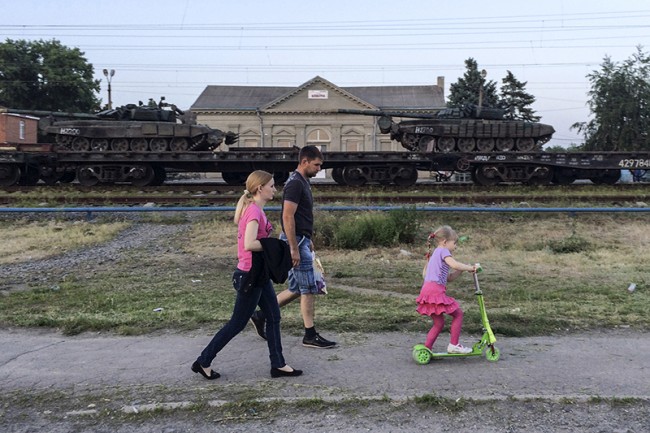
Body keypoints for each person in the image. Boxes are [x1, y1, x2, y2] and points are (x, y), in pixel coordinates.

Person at [191, 170, 302, 380]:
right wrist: (276, 246)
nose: (275, 189)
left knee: (274, 316)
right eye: (271, 186)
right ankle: (203, 361)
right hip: (250, 275)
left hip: (258, 273)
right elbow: (249, 244)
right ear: (260, 188)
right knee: (237, 323)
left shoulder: (255, 210)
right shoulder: (253, 212)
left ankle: (278, 364)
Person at [250, 145, 336, 349]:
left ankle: (260, 315)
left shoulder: (302, 182)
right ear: (304, 161)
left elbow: (301, 216)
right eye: (316, 165)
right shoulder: (295, 184)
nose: (318, 169)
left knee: (297, 287)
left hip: (300, 239)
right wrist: (294, 247)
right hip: (295, 241)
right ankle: (310, 335)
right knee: (309, 288)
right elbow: (287, 216)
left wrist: (308, 238)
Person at [416, 225, 478, 354]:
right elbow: (454, 264)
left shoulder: (436, 254)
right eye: (454, 243)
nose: (455, 246)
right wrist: (470, 267)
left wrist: (461, 270)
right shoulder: (443, 251)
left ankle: (427, 348)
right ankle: (454, 345)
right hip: (435, 292)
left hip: (427, 291)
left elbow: (448, 278)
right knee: (458, 314)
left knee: (438, 324)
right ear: (445, 242)